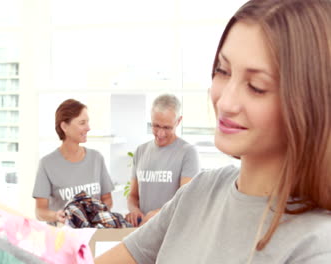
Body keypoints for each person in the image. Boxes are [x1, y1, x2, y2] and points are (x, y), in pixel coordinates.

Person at [96, 0, 331, 262]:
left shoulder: (317, 247)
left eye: (256, 86)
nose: (225, 102)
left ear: (311, 103)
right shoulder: (201, 192)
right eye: (223, 71)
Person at [33, 99, 114, 225]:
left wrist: (95, 216)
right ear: (64, 126)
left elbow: (107, 199)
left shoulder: (97, 158)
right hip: (62, 238)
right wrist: (56, 215)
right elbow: (40, 211)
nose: (88, 128)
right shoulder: (47, 164)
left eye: (88, 122)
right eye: (82, 123)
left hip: (94, 235)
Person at [125, 94, 200, 227]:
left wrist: (157, 214)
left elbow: (185, 200)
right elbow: (133, 196)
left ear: (178, 121)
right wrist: (134, 210)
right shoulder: (140, 151)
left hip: (173, 231)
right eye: (155, 126)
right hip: (143, 231)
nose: (160, 133)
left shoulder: (188, 152)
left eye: (167, 127)